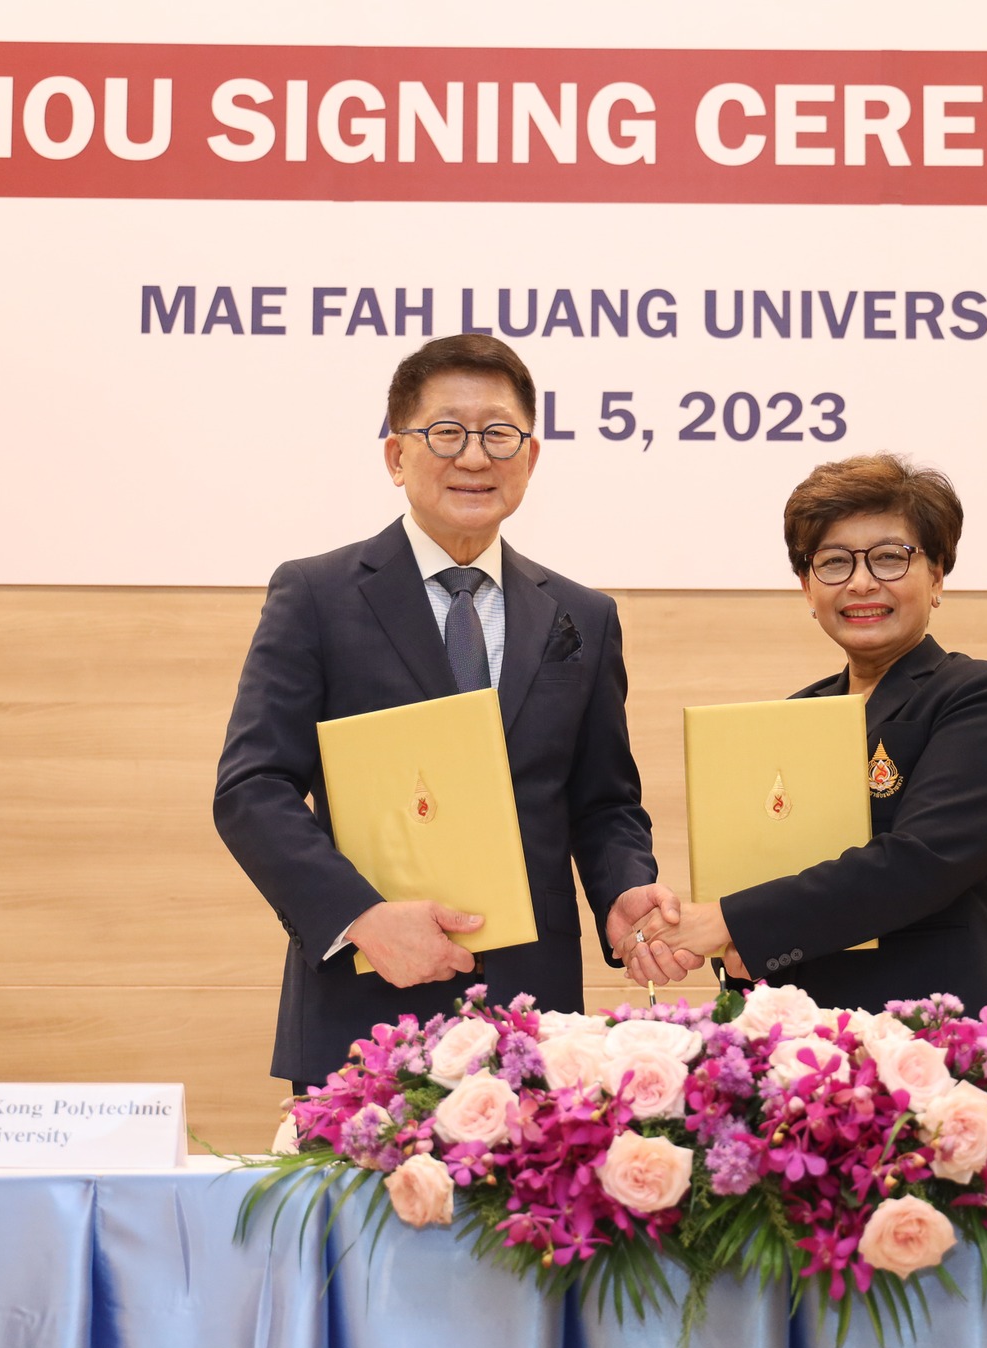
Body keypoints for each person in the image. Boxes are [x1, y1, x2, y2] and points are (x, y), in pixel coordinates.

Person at [215, 334, 684, 1090]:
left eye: (499, 434)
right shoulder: (318, 595)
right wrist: (361, 918)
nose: (474, 457)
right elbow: (252, 789)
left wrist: (624, 889)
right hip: (367, 1006)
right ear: (397, 456)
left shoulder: (582, 616)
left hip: (536, 1024)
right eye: (446, 432)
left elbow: (603, 804)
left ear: (530, 458)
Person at [634, 453, 987, 1019]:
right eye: (833, 563)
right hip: (803, 1044)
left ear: (938, 574)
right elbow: (762, 873)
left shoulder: (982, 698)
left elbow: (919, 862)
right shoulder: (793, 718)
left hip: (940, 1037)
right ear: (807, 586)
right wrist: (716, 939)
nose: (862, 582)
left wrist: (727, 921)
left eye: (889, 558)